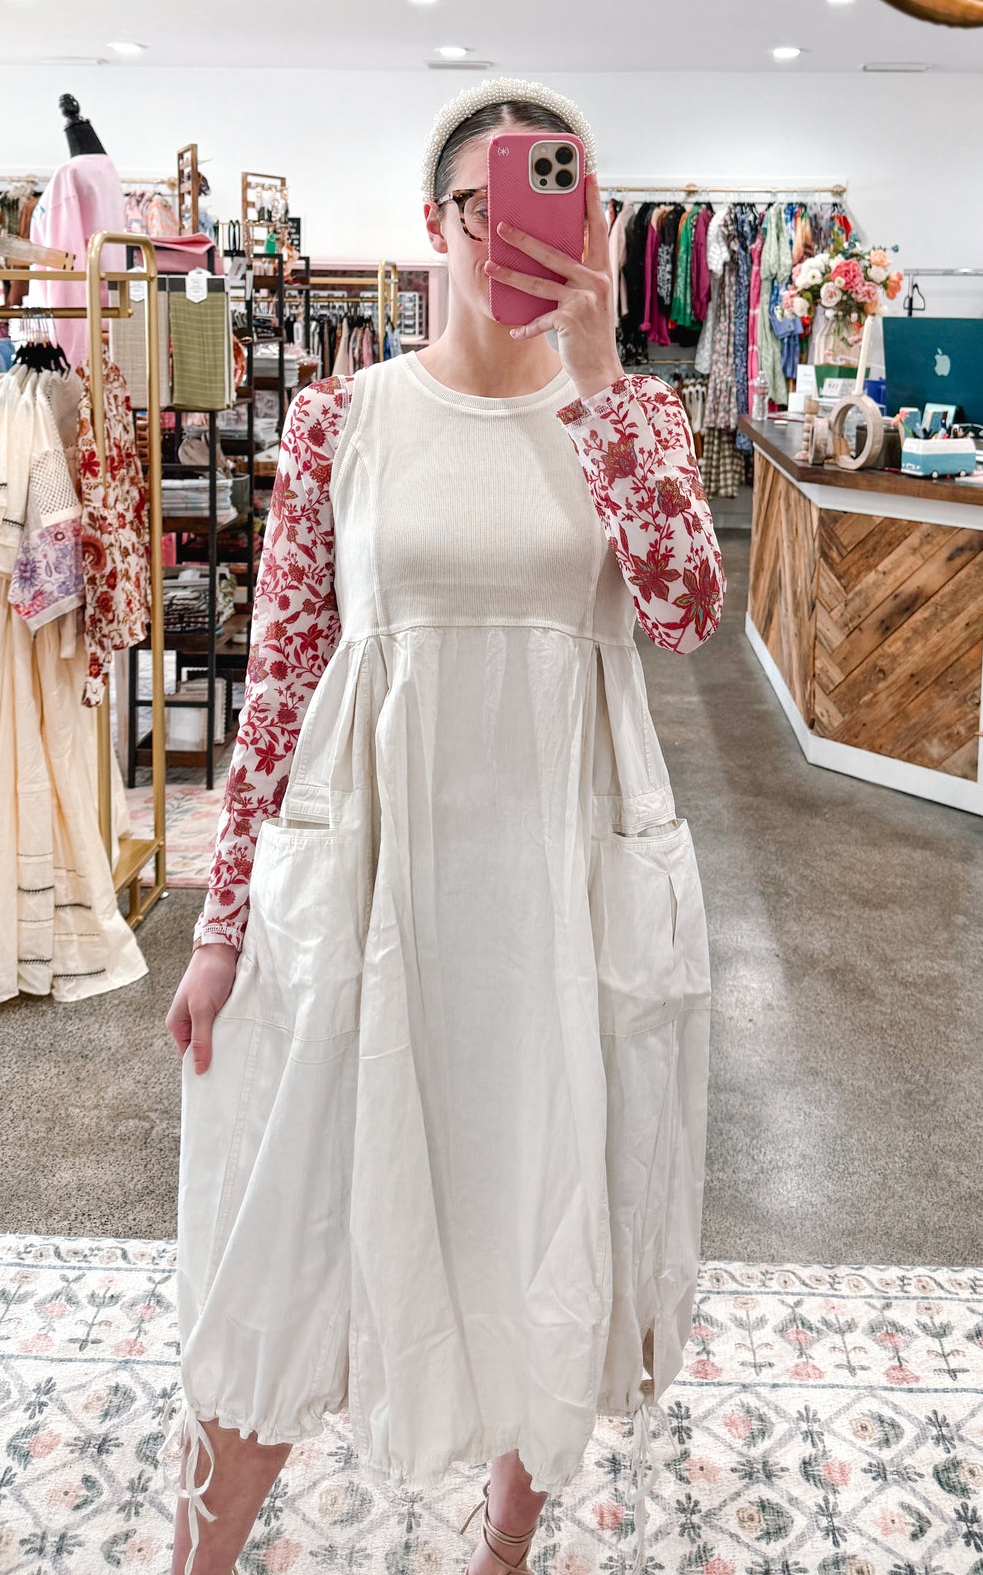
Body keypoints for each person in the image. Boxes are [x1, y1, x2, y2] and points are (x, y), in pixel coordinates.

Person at [166, 81, 724, 1575]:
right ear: (437, 225)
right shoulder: (342, 417)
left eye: (566, 204)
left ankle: (504, 1541)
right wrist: (222, 924)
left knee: (539, 1203)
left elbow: (680, 613)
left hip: (559, 880)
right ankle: (201, 1553)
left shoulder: (637, 415)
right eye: (501, 209)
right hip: (372, 878)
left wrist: (602, 380)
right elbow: (278, 676)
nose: (532, 239)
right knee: (296, 1221)